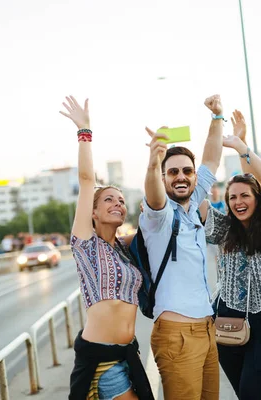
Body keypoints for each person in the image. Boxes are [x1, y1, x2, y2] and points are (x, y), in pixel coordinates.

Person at [61, 96, 153, 400]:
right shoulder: (86, 245)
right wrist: (84, 132)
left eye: (122, 200)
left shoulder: (124, 249)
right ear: (93, 212)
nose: (118, 203)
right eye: (109, 199)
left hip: (128, 355)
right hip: (101, 360)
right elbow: (87, 181)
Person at [199, 110, 261, 399]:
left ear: (257, 199)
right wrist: (214, 124)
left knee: (251, 392)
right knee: (245, 394)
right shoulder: (223, 228)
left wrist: (242, 147)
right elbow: (196, 197)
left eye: (245, 195)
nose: (238, 201)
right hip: (227, 319)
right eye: (233, 197)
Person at [140, 95, 224, 399]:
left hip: (206, 330)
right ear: (163, 177)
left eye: (186, 171)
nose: (181, 177)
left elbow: (211, 159)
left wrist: (217, 118)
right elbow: (152, 192)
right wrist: (153, 161)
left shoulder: (192, 205)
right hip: (177, 335)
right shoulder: (159, 217)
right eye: (172, 172)